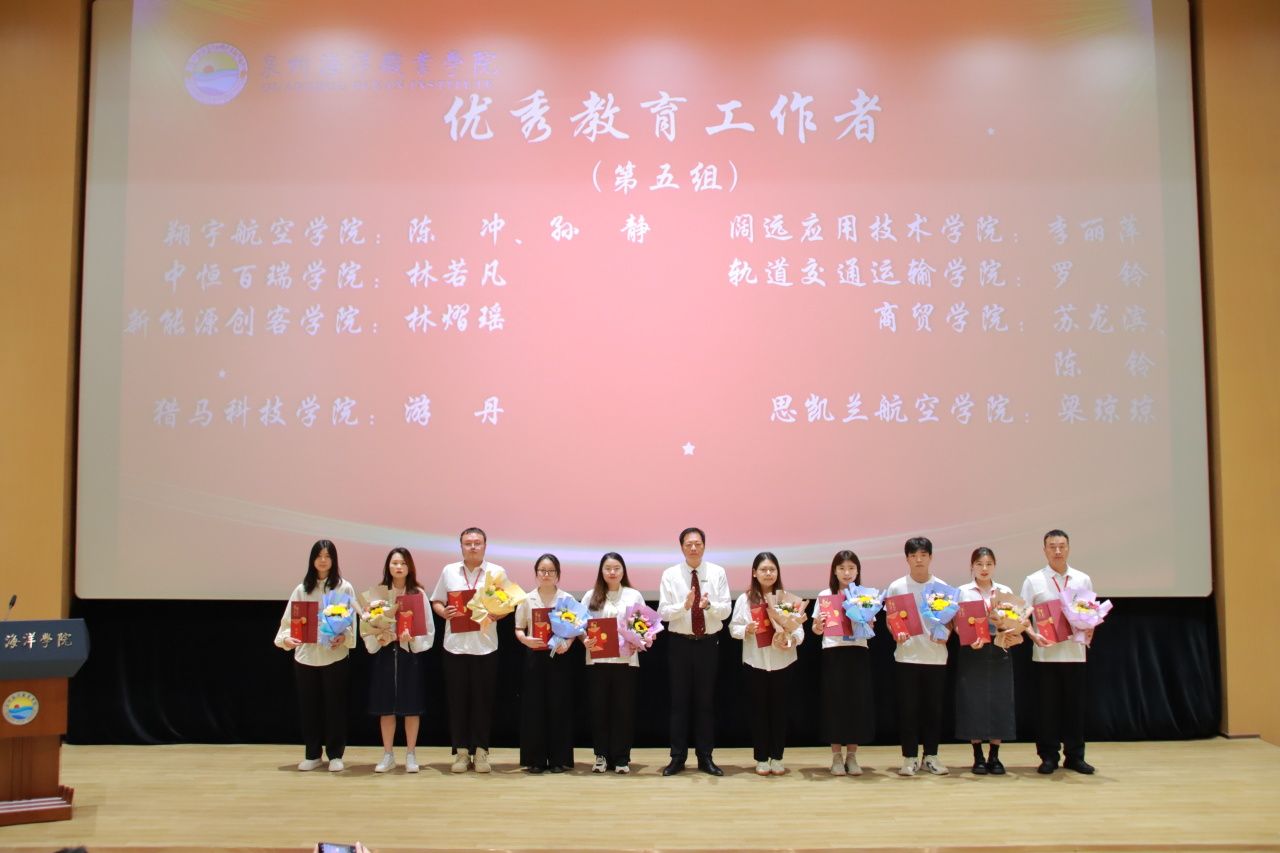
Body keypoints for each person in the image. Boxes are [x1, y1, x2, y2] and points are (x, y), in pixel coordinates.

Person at [274, 539, 357, 772]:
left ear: (334, 560)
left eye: (328, 556)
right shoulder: (302, 589)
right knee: (309, 707)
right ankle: (312, 754)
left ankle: (335, 755)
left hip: (334, 656)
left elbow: (352, 623)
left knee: (335, 706)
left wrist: (344, 637)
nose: (323, 560)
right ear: (312, 560)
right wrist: (286, 639)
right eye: (319, 556)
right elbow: (288, 623)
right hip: (306, 657)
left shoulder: (344, 588)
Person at [429, 527, 507, 773]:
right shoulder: (449, 571)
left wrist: (496, 613)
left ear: (485, 546)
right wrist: (444, 612)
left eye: (477, 543)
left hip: (485, 645)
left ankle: (481, 752)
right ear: (461, 546)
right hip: (455, 646)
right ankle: (461, 753)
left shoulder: (497, 572)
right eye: (468, 543)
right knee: (457, 701)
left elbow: (508, 604)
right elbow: (436, 600)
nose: (473, 547)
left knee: (483, 701)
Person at [657, 527, 731, 776]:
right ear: (681, 547)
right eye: (688, 544)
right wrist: (684, 606)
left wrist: (708, 606)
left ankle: (705, 757)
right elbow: (663, 613)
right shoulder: (670, 574)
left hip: (708, 643)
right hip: (679, 643)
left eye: (698, 543)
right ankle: (677, 757)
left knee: (705, 703)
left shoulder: (717, 572)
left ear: (704, 546)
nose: (693, 548)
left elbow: (726, 611)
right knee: (678, 702)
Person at [1021, 529, 1096, 775]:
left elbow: (1089, 612)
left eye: (1062, 546)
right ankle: (1048, 756)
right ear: (1044, 550)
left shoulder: (1082, 579)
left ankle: (1075, 756)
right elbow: (1021, 615)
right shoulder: (1033, 580)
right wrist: (1032, 635)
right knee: (1046, 709)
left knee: (1075, 708)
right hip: (1046, 655)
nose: (1057, 551)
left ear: (1068, 548)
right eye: (1052, 546)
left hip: (1075, 653)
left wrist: (1090, 627)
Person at [729, 552, 804, 775]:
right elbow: (733, 628)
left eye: (772, 569)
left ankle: (777, 757)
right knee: (758, 712)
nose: (768, 573)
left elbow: (799, 631)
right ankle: (761, 758)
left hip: (783, 662)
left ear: (777, 572)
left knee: (780, 711)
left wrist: (791, 639)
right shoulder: (745, 600)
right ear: (754, 573)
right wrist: (746, 629)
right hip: (755, 663)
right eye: (763, 569)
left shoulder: (786, 599)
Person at [884, 536, 951, 777]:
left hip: (935, 656)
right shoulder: (897, 587)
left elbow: (950, 620)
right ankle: (909, 757)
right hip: (907, 657)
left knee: (933, 710)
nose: (918, 560)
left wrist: (946, 634)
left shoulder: (942, 587)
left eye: (923, 555)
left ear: (930, 557)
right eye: (913, 556)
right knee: (908, 709)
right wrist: (895, 632)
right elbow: (890, 619)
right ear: (907, 559)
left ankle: (931, 756)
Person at [363, 547, 435, 774]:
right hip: (385, 654)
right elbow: (367, 626)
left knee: (411, 707)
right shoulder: (378, 594)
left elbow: (429, 629)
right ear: (388, 566)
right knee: (386, 708)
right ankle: (388, 755)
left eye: (403, 563)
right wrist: (378, 637)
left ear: (409, 567)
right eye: (394, 563)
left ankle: (411, 754)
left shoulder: (418, 593)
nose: (399, 567)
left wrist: (412, 639)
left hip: (409, 655)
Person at [810, 550, 875, 776]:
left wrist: (867, 621)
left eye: (851, 568)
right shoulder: (825, 595)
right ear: (834, 571)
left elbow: (871, 627)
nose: (847, 573)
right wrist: (818, 626)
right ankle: (836, 757)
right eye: (842, 568)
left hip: (858, 652)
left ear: (858, 570)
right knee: (834, 704)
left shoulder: (865, 595)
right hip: (833, 652)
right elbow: (816, 629)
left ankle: (852, 756)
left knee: (857, 703)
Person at [581, 552, 645, 774]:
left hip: (626, 661)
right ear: (601, 571)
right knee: (598, 709)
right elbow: (580, 625)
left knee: (623, 710)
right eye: (608, 568)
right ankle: (600, 756)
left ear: (623, 570)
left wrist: (639, 641)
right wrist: (584, 639)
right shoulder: (590, 595)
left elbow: (642, 626)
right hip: (597, 661)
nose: (612, 572)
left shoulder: (634, 595)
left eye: (616, 568)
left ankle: (621, 758)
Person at [955, 547, 1015, 775]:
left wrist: (1010, 630)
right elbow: (956, 623)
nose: (984, 568)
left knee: (1000, 701)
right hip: (973, 651)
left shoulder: (1004, 591)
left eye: (989, 564)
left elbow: (1015, 620)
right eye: (979, 564)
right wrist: (968, 637)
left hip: (1000, 649)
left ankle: (995, 756)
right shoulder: (963, 592)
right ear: (972, 566)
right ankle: (978, 756)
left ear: (995, 566)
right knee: (974, 702)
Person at [514, 553, 576, 774]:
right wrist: (525, 640)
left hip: (559, 656)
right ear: (536, 574)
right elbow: (519, 628)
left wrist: (568, 643)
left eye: (551, 571)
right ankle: (535, 759)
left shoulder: (567, 598)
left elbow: (575, 628)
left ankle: (559, 759)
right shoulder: (526, 598)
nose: (546, 574)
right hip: (535, 656)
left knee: (559, 705)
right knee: (534, 706)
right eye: (542, 570)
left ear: (558, 574)